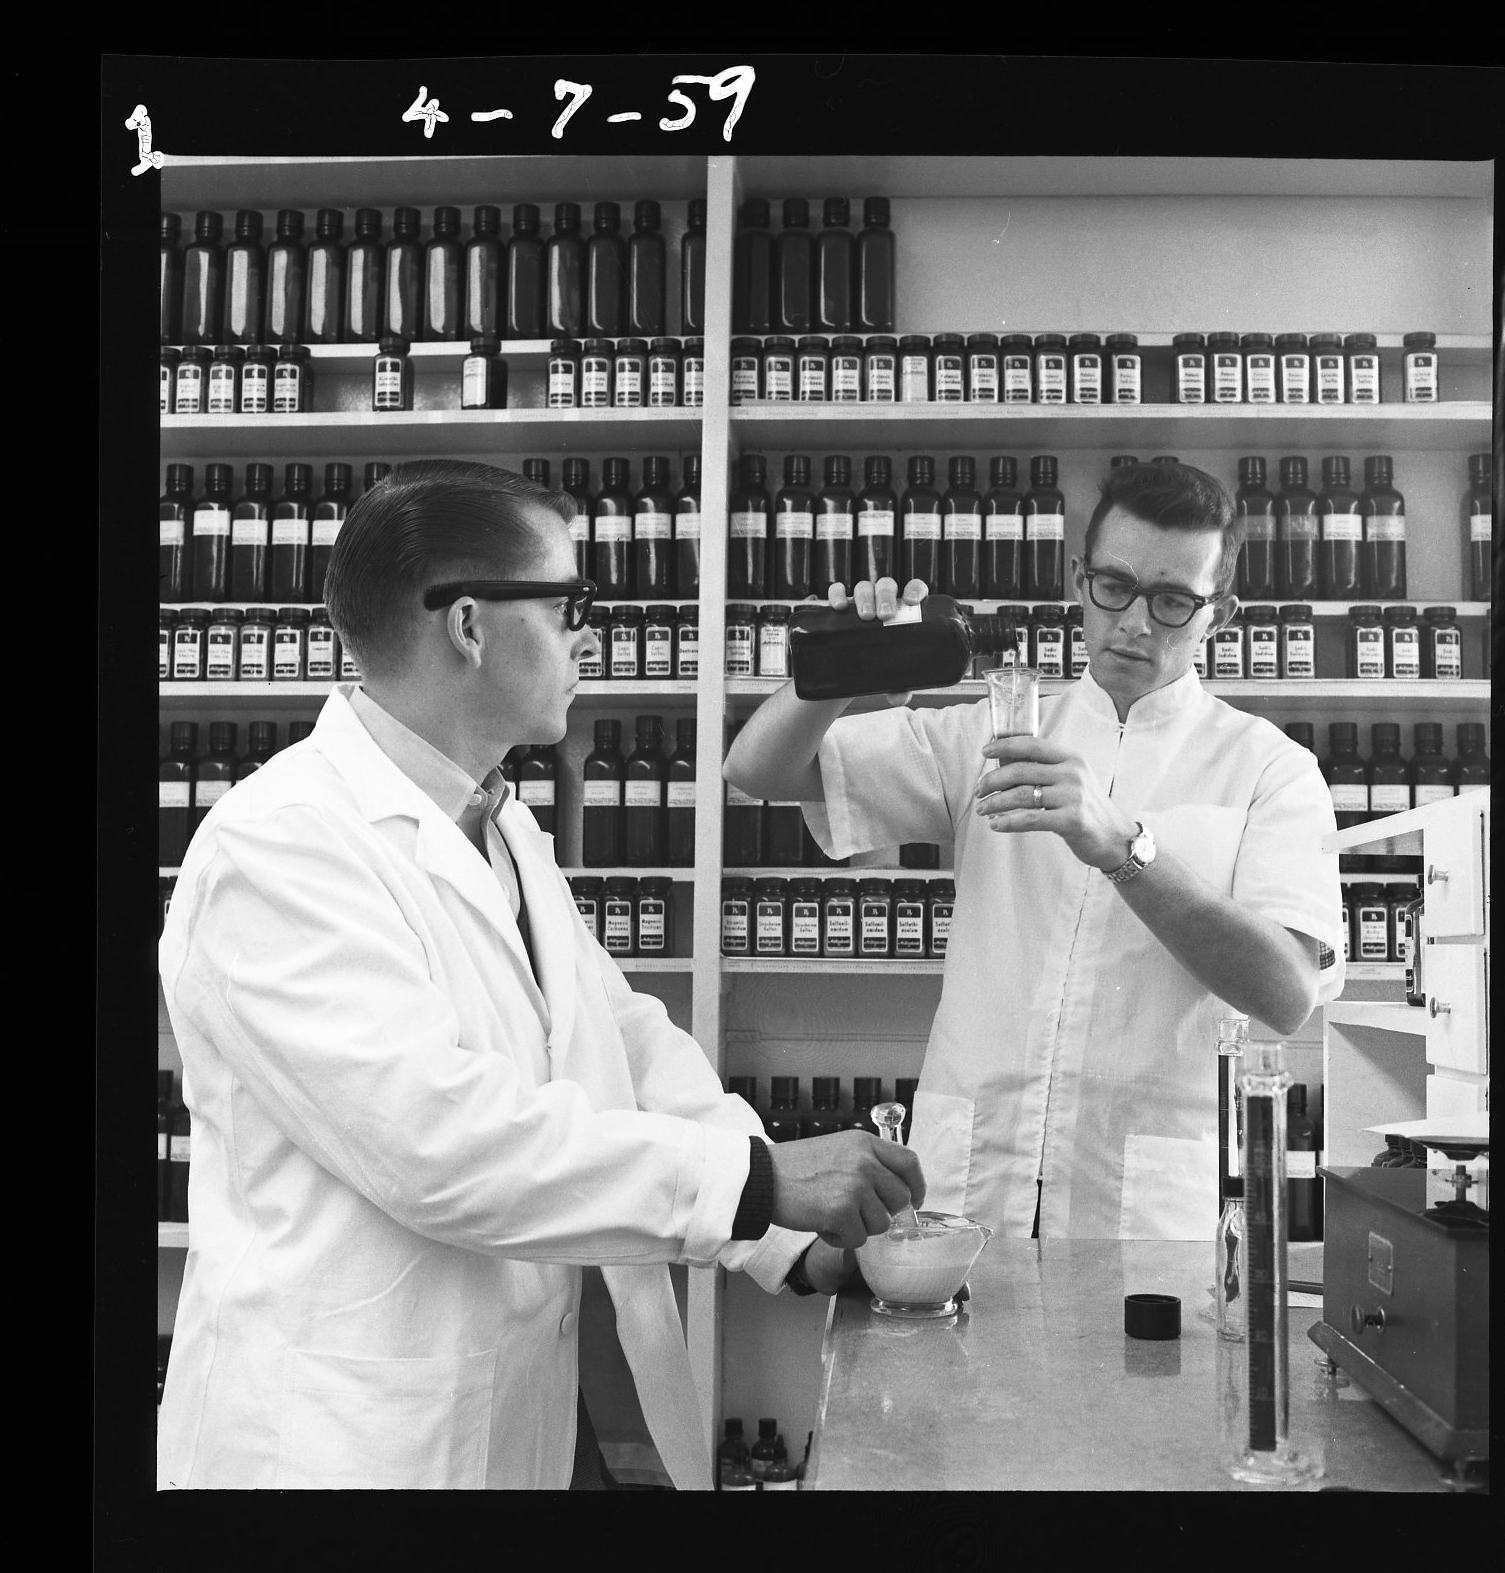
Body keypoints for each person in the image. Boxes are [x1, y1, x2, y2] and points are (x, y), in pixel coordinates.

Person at [156, 460, 923, 1491]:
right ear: (468, 625)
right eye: (570, 604)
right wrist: (762, 1182)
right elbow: (440, 1144)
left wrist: (785, 1237)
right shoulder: (279, 846)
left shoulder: (498, 820)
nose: (589, 636)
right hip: (344, 1447)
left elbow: (623, 1046)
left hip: (509, 1420)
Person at [724, 460, 1345, 1242]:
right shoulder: (993, 731)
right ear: (1080, 580)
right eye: (1114, 585)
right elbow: (754, 771)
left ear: (1218, 613)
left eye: (1173, 600)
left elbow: (1288, 994)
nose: (1135, 622)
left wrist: (1124, 847)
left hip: (1146, 1216)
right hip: (969, 1183)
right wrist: (846, 664)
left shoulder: (1269, 768)